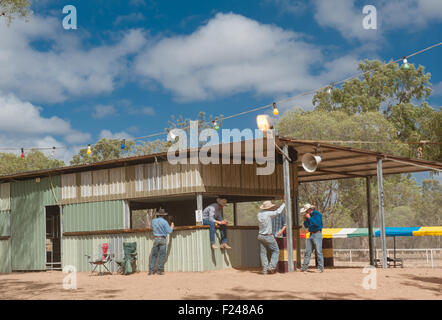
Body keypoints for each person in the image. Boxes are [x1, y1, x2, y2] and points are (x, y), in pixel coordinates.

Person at [257, 200, 286, 274]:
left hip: (260, 235)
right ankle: (271, 267)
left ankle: (265, 270)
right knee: (276, 251)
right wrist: (284, 203)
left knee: (263, 253)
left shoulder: (259, 214)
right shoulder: (268, 214)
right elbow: (278, 212)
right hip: (268, 235)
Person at [148, 209, 174, 275]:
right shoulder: (165, 222)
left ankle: (151, 271)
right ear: (163, 215)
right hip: (162, 239)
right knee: (162, 256)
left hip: (156, 238)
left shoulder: (153, 221)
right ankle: (159, 271)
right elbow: (169, 231)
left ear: (158, 215)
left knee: (154, 255)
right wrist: (172, 226)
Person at [300, 203, 324, 273]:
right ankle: (304, 268)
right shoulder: (309, 215)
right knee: (308, 251)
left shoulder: (317, 214)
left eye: (306, 211)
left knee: (319, 252)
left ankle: (320, 268)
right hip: (311, 234)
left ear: (309, 209)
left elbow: (317, 223)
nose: (305, 212)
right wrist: (305, 220)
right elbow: (307, 226)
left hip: (317, 234)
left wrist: (309, 218)